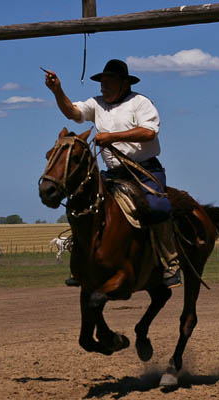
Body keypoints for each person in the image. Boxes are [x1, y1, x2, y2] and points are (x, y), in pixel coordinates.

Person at [44, 59, 181, 289]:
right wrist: (57, 90)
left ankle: (171, 262)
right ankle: (80, 263)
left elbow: (149, 133)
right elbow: (72, 112)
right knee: (80, 204)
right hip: (113, 174)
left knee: (158, 207)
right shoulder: (96, 104)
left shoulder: (140, 102)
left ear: (124, 83)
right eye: (102, 82)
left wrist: (112, 137)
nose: (103, 86)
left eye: (108, 82)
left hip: (144, 170)